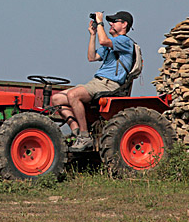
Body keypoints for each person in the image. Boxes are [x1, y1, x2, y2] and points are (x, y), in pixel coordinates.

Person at [51, 11, 134, 151]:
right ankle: (76, 130)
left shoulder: (124, 41)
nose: (111, 24)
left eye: (115, 21)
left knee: (73, 95)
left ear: (124, 24)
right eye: (110, 21)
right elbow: (91, 57)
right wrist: (93, 34)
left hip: (109, 84)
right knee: (57, 99)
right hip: (97, 82)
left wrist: (100, 22)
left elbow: (104, 41)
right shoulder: (111, 45)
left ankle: (85, 137)